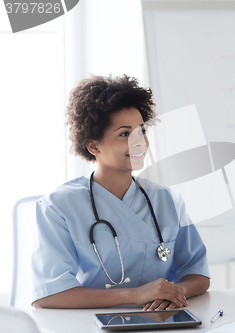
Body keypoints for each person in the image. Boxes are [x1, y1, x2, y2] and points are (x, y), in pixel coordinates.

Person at [32, 75, 210, 310]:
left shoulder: (167, 200)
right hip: (90, 322)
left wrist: (174, 292)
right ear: (94, 145)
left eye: (142, 131)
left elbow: (197, 273)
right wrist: (135, 295)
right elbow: (49, 295)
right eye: (125, 134)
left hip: (161, 321)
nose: (140, 143)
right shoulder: (59, 206)